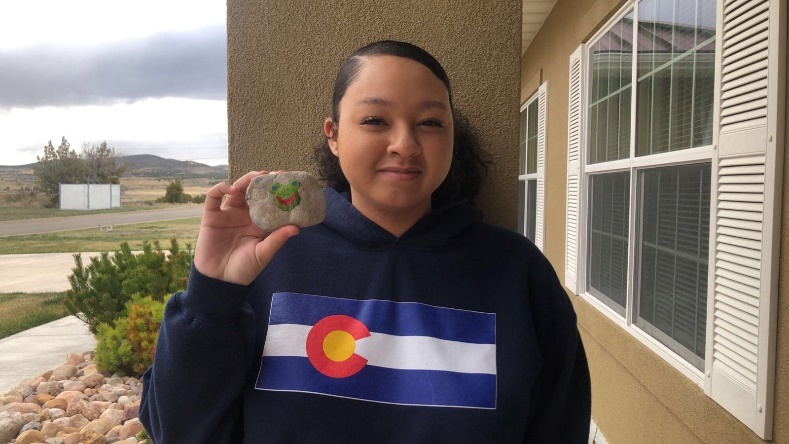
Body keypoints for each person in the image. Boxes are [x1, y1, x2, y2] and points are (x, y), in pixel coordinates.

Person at [140, 40, 591, 443]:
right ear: (333, 135)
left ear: (453, 135)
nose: (405, 144)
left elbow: (560, 424)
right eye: (375, 120)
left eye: (431, 122)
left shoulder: (516, 271)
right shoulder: (270, 259)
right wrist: (211, 293)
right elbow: (178, 431)